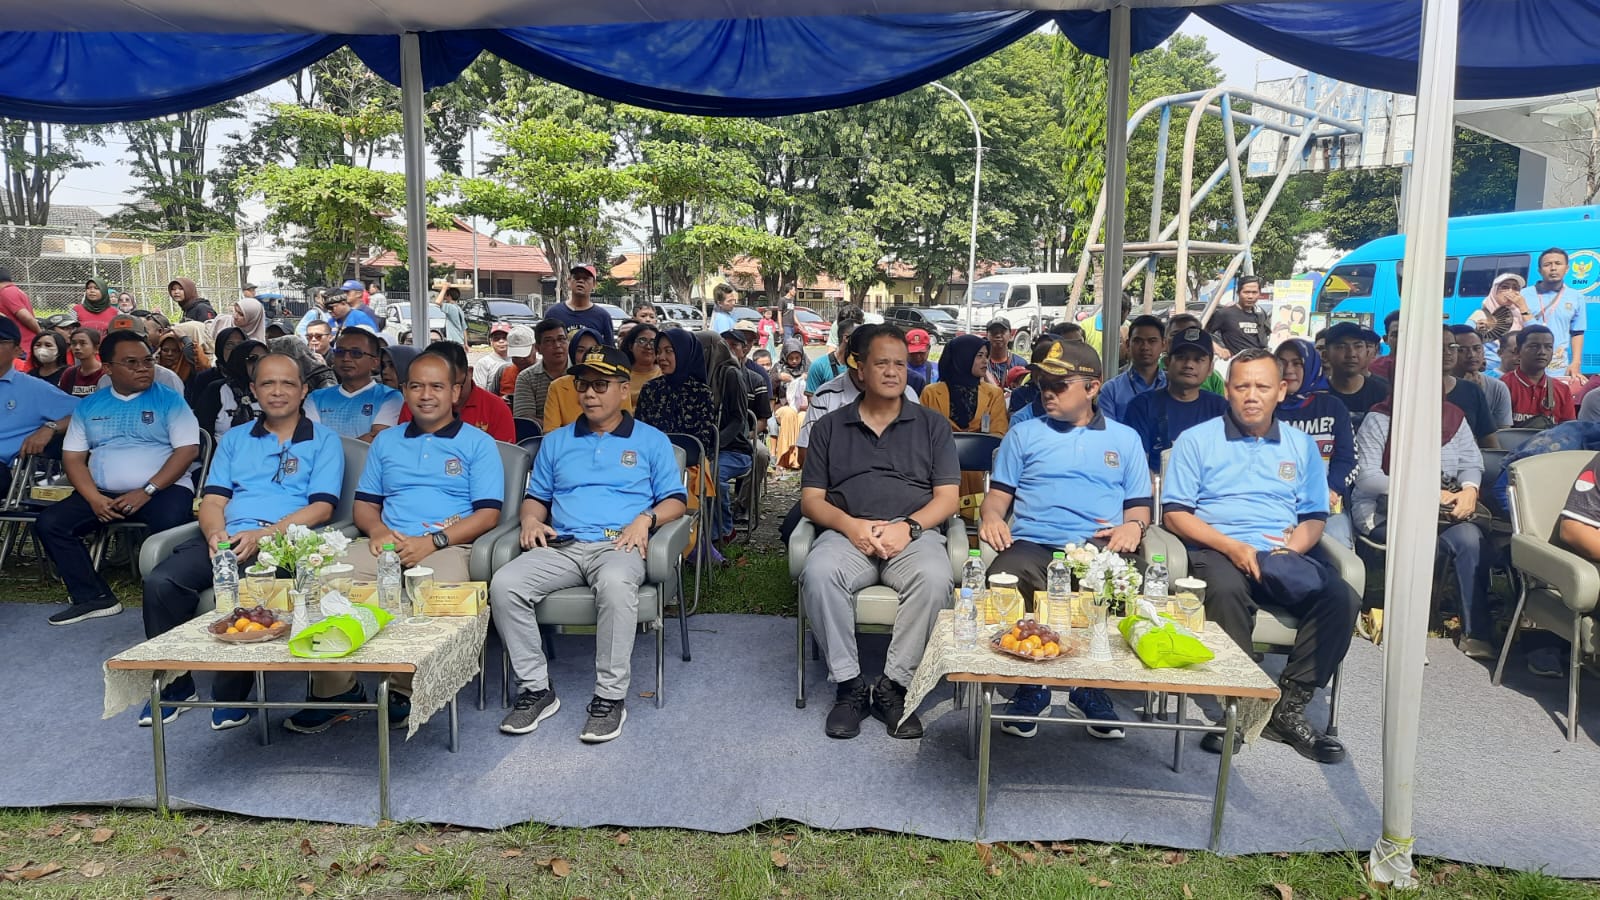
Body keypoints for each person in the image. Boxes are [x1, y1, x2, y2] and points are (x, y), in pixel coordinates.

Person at [286, 350, 506, 733]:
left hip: (448, 544)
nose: (426, 395)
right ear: (403, 391)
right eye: (416, 386)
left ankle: (406, 690)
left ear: (456, 391)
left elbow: (488, 515)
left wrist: (432, 541)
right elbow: (365, 506)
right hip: (386, 543)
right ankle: (336, 691)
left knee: (432, 589)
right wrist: (378, 532)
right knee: (323, 581)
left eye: (437, 386)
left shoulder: (477, 443)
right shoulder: (386, 443)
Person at [1161, 348, 1356, 763]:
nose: (1252, 395)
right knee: (1226, 588)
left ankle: (1289, 706)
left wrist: (1291, 550)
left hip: (1279, 552)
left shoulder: (1301, 446)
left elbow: (1313, 517)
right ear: (1227, 391)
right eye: (1242, 385)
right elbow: (1175, 513)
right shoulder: (1196, 440)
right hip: (1216, 547)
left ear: (1281, 391)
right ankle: (1244, 703)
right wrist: (1231, 546)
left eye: (1262, 386)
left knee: (1341, 597)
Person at [492, 345, 689, 743]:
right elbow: (538, 496)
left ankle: (609, 697)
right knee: (505, 584)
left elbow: (675, 500)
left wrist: (645, 519)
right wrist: (530, 519)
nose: (589, 394)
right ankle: (536, 688)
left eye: (601, 385)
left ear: (623, 391)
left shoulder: (651, 441)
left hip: (619, 545)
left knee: (616, 586)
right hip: (562, 545)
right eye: (583, 385)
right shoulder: (557, 441)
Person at [139, 353, 344, 729]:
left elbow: (322, 509)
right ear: (253, 390)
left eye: (287, 384)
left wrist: (263, 535)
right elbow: (214, 500)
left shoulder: (324, 441)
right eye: (267, 384)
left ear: (303, 390)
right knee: (161, 583)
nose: (277, 392)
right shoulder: (235, 439)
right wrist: (215, 534)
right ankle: (175, 685)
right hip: (230, 537)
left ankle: (231, 696)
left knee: (247, 590)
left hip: (282, 541)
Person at [981, 340, 1148, 739]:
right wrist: (990, 519)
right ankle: (1029, 687)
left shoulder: (1124, 440)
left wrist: (1134, 527)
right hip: (1034, 545)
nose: (1048, 392)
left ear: (1092, 388)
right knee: (1003, 576)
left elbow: (1139, 508)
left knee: (1127, 584)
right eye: (1043, 384)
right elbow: (996, 500)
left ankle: (1092, 688)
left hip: (1099, 546)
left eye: (1060, 384)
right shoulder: (1024, 435)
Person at [801, 324, 959, 740]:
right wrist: (851, 526)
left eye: (900, 364)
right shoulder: (830, 426)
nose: (893, 372)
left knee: (934, 579)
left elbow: (947, 499)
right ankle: (849, 685)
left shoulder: (932, 426)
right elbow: (812, 500)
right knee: (818, 573)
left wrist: (908, 527)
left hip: (913, 535)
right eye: (882, 363)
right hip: (847, 531)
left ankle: (895, 686)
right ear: (859, 368)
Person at [39, 329, 201, 626]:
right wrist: (95, 499)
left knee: (172, 525)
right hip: (103, 493)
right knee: (51, 523)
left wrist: (147, 490)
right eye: (132, 363)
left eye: (147, 361)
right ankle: (93, 598)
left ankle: (173, 601)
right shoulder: (90, 406)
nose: (143, 368)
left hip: (163, 488)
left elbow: (188, 450)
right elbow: (73, 458)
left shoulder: (170, 400)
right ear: (109, 368)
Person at [1352, 379, 1491, 660]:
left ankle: (1476, 631)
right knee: (1415, 539)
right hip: (1385, 511)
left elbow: (1472, 464)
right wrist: (1426, 491)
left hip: (1442, 513)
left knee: (1470, 540)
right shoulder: (1380, 419)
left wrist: (1469, 490)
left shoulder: (1453, 417)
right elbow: (1368, 479)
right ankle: (1405, 630)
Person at [1274, 339, 1357, 548]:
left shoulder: (1332, 407)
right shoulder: (1267, 407)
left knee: (1338, 545)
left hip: (1326, 502)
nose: (1289, 370)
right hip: (1275, 502)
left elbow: (1349, 459)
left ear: (1310, 365)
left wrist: (1331, 489)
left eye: (1297, 363)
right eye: (1282, 363)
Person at [919, 334, 1008, 519]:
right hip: (940, 475)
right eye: (979, 356)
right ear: (962, 358)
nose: (985, 361)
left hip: (980, 477)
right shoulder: (931, 393)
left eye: (986, 356)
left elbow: (999, 435)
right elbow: (923, 436)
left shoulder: (994, 394)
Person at [1122, 327, 1229, 472]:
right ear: (1166, 362)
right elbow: (1134, 462)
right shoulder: (1142, 405)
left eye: (1198, 359)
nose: (1189, 365)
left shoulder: (1220, 408)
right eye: (1181, 357)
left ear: (1210, 368)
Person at [0, 317, 77, 498]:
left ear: (18, 350)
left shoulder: (33, 388)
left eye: (0, 342)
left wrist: (50, 428)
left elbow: (88, 412)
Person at [700, 331, 757, 543]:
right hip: (703, 447)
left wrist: (716, 444)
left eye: (702, 350)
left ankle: (723, 530)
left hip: (734, 449)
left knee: (712, 476)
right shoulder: (697, 373)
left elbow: (738, 420)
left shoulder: (730, 374)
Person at [399, 340, 514, 442]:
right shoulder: (417, 404)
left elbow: (504, 458)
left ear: (469, 373)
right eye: (438, 387)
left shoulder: (496, 408)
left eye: (457, 385)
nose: (451, 394)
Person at [306, 326, 403, 442]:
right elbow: (312, 440)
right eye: (340, 352)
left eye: (356, 353)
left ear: (374, 362)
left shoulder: (390, 397)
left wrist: (328, 449)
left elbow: (376, 439)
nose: (346, 358)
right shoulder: (316, 398)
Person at [544, 328, 629, 433]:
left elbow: (625, 423)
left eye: (600, 384)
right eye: (580, 350)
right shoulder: (557, 386)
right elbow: (550, 431)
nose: (589, 393)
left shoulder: (618, 383)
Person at [1522, 248, 1584, 379]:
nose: (1553, 268)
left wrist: (1576, 362)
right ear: (1539, 271)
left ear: (1567, 268)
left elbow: (1577, 332)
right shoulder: (1524, 295)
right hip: (1527, 366)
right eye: (1547, 264)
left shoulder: (1576, 297)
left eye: (1558, 263)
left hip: (1558, 367)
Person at [1502, 325, 1575, 428]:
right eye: (1534, 346)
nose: (1542, 352)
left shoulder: (1562, 390)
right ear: (1518, 351)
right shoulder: (1503, 386)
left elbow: (1569, 433)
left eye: (1548, 347)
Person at [1321, 322, 1390, 429]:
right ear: (1325, 355)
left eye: (1358, 346)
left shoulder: (1383, 393)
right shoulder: (1316, 394)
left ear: (1367, 353)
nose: (1351, 354)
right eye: (1341, 347)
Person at [1098, 315, 1167, 422]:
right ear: (1127, 345)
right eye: (1138, 341)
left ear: (1163, 345)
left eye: (1152, 341)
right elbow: (1108, 433)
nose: (1145, 347)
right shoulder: (1111, 390)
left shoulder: (1175, 386)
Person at [1451, 325, 1513, 430]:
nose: (1471, 355)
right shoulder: (1440, 385)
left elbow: (1503, 433)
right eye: (1462, 350)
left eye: (1477, 348)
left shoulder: (1498, 387)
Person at [513, 319, 571, 426]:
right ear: (538, 348)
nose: (557, 345)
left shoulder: (580, 373)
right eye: (549, 341)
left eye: (561, 339)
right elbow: (525, 418)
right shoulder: (526, 377)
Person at [1468, 272, 1527, 372]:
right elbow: (1467, 343)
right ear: (1494, 291)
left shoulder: (1520, 316)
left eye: (1515, 288)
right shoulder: (1480, 315)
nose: (1510, 291)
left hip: (1517, 373)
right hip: (1488, 372)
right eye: (1505, 287)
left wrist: (1523, 308)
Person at [544, 264, 613, 345]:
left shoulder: (603, 316)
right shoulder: (553, 313)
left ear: (594, 284)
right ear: (569, 281)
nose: (580, 281)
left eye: (586, 278)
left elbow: (609, 350)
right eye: (577, 277)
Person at [1208, 275, 1269, 360]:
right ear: (1238, 293)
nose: (1250, 296)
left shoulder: (1261, 314)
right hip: (1238, 365)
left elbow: (1265, 339)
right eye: (1246, 292)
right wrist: (1218, 349)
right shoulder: (1225, 313)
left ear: (1259, 294)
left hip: (1259, 363)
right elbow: (1200, 333)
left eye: (1254, 292)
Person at [0, 267, 40, 374]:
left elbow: (25, 317)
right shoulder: (16, 291)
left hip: (22, 349)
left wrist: (41, 334)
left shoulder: (6, 292)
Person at [804, 321, 856, 396]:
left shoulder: (862, 367)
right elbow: (812, 402)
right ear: (846, 338)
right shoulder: (818, 366)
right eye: (859, 337)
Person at [495, 325, 537, 402]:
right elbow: (489, 400)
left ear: (536, 348)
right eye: (516, 356)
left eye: (524, 356)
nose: (520, 360)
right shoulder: (504, 371)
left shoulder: (544, 373)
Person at [60, 327, 106, 398]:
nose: (77, 347)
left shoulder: (106, 373)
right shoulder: (69, 373)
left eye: (83, 343)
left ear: (96, 348)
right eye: (74, 343)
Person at [621, 323, 661, 398]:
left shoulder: (665, 374)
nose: (648, 346)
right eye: (642, 341)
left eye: (653, 342)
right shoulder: (621, 374)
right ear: (630, 346)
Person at [983, 319, 1027, 388]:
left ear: (1010, 336)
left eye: (1002, 332)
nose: (998, 335)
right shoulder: (980, 363)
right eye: (994, 332)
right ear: (987, 336)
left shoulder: (1020, 363)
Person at [474, 322, 514, 390]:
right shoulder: (484, 363)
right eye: (496, 338)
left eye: (505, 338)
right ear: (491, 342)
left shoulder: (517, 360)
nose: (501, 341)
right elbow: (479, 390)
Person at [1370, 310, 1401, 382]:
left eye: (1408, 334)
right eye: (1396, 335)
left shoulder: (1426, 367)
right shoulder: (1374, 368)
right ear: (1386, 339)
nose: (1402, 340)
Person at [905, 329, 939, 393]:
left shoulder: (937, 370)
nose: (917, 357)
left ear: (929, 348)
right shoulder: (897, 371)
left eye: (921, 353)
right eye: (913, 353)